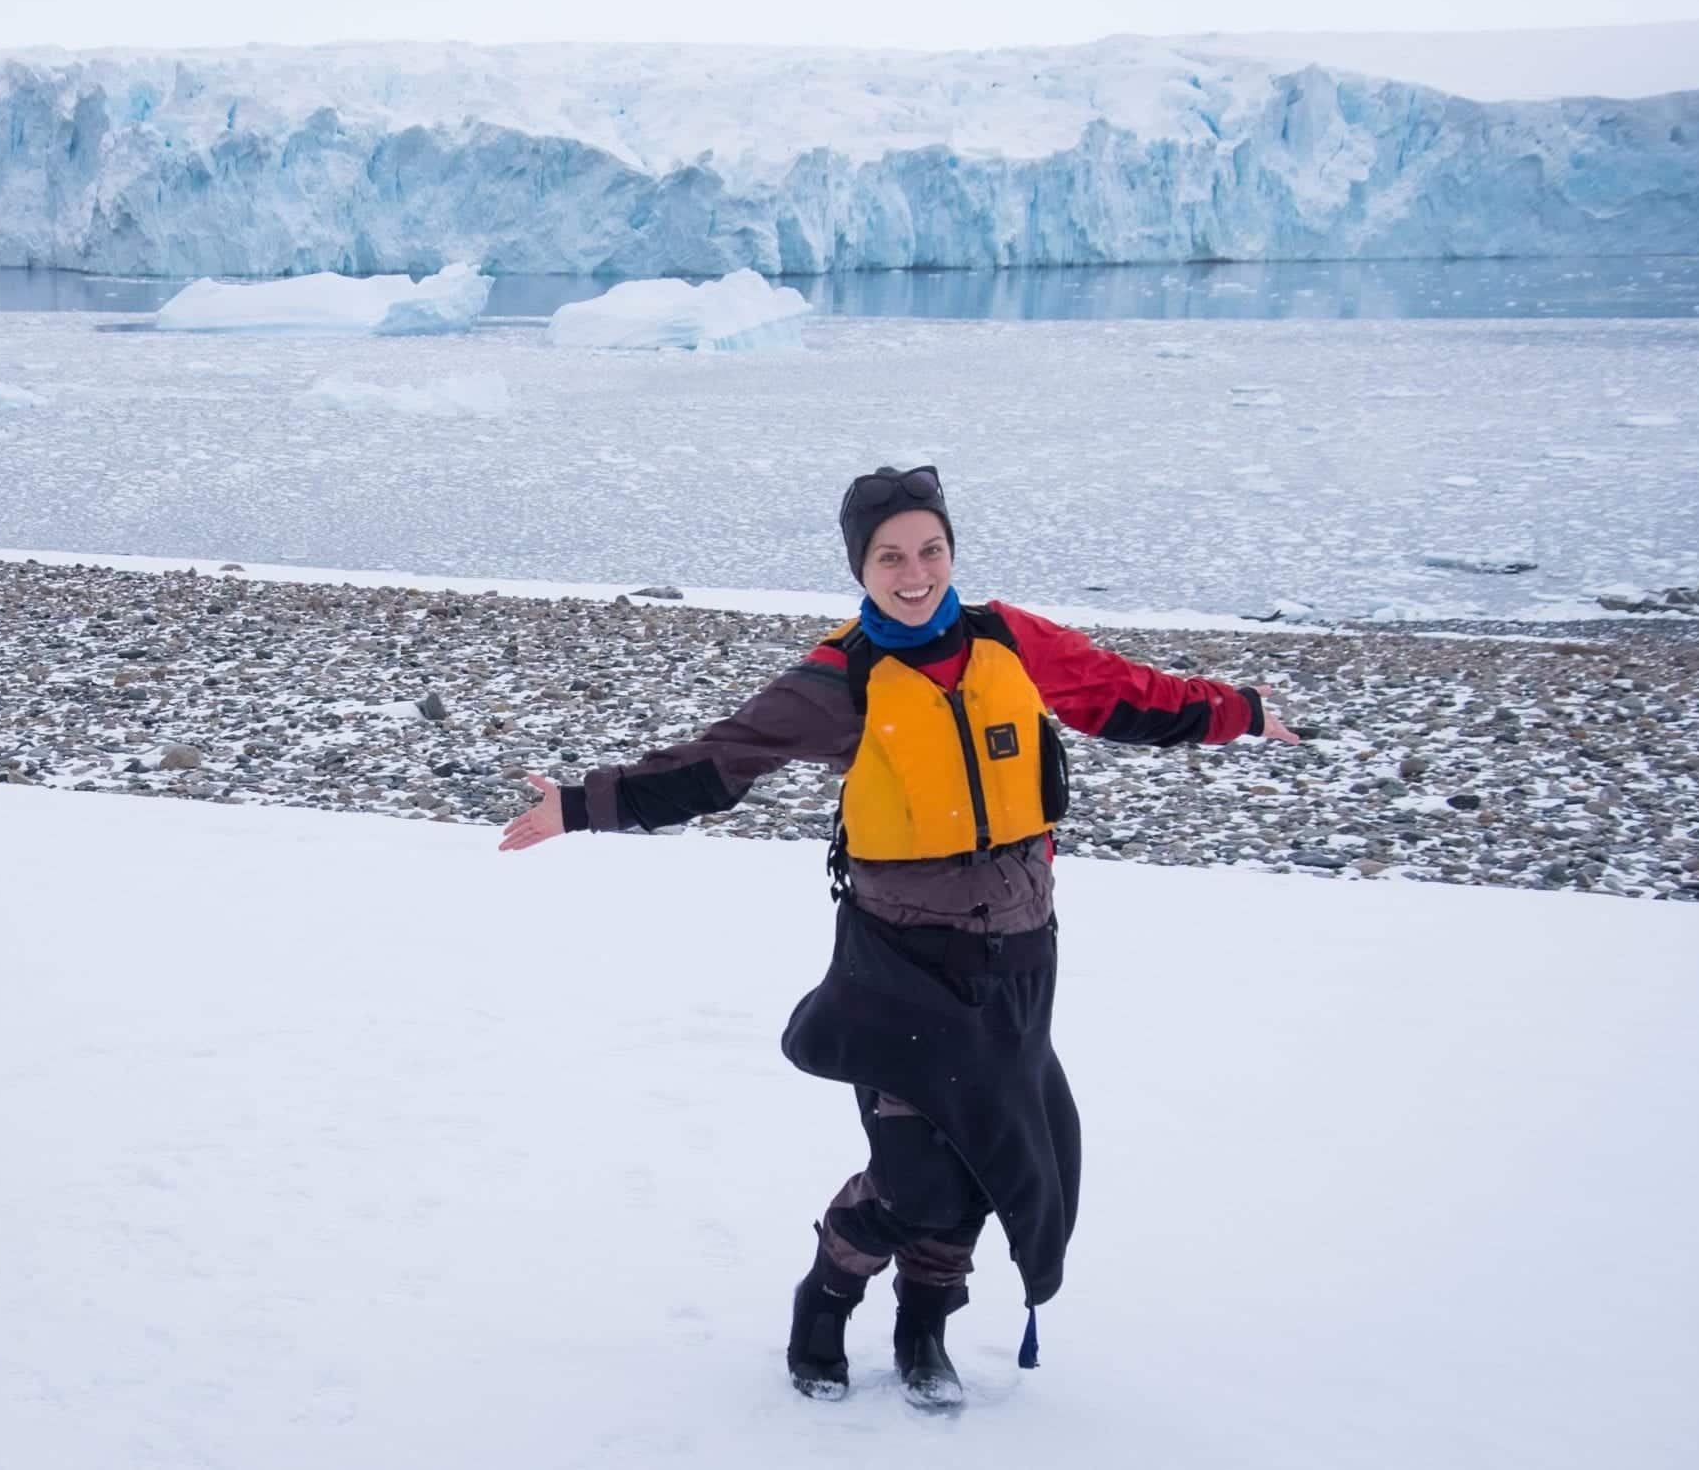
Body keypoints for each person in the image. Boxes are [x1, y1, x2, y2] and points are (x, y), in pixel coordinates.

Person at [499, 465, 1298, 1407]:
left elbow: (1124, 696)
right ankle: (826, 1299)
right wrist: (586, 807)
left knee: (978, 1162)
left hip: (1018, 958)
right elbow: (721, 762)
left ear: (951, 552)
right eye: (890, 557)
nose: (914, 573)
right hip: (901, 965)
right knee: (916, 1177)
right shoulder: (842, 679)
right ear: (861, 568)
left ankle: (924, 1329)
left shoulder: (1011, 641)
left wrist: (1236, 712)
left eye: (930, 550)